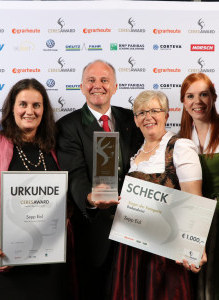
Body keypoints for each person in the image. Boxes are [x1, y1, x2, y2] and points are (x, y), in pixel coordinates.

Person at [0, 78, 68, 300]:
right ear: (12, 108)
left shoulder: (54, 147)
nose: (29, 111)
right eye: (23, 104)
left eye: (36, 105)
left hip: (45, 258)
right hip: (0, 254)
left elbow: (67, 195)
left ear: (44, 110)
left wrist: (62, 222)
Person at [56, 60, 143, 300]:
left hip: (135, 229)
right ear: (81, 87)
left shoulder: (133, 120)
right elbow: (74, 174)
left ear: (115, 87)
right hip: (94, 233)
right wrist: (89, 199)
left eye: (104, 80)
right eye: (91, 81)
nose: (98, 86)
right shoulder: (67, 126)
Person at [111, 90, 205, 300]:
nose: (148, 117)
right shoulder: (135, 154)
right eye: (142, 112)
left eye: (155, 110)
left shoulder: (180, 147)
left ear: (166, 115)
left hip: (166, 250)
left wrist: (195, 248)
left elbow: (195, 200)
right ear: (135, 120)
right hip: (132, 250)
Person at [178, 73, 219, 300]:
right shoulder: (179, 140)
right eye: (191, 96)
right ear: (184, 102)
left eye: (204, 94)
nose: (197, 101)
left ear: (214, 97)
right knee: (195, 278)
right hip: (193, 215)